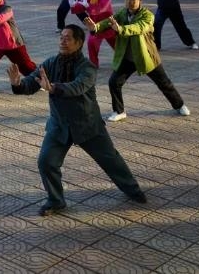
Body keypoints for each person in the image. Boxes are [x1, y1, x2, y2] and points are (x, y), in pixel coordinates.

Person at [8, 24, 147, 216]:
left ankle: (133, 190)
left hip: (87, 124)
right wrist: (18, 84)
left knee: (110, 160)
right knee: (46, 162)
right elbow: (32, 82)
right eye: (61, 37)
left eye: (68, 38)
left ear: (79, 43)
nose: (62, 41)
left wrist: (53, 88)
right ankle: (56, 201)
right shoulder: (50, 63)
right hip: (60, 125)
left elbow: (77, 87)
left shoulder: (87, 68)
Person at [84, 0, 191, 122]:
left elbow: (139, 28)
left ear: (140, 0)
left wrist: (121, 29)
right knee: (114, 82)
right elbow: (109, 21)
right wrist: (96, 27)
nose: (129, 2)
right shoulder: (123, 13)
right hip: (128, 58)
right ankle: (119, 111)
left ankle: (179, 105)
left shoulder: (148, 16)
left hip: (145, 56)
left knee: (164, 83)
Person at [70, 0, 116, 67]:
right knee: (91, 43)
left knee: (117, 46)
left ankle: (126, 60)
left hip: (108, 26)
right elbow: (82, 5)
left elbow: (101, 8)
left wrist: (88, 6)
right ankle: (94, 64)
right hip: (95, 26)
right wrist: (73, 5)